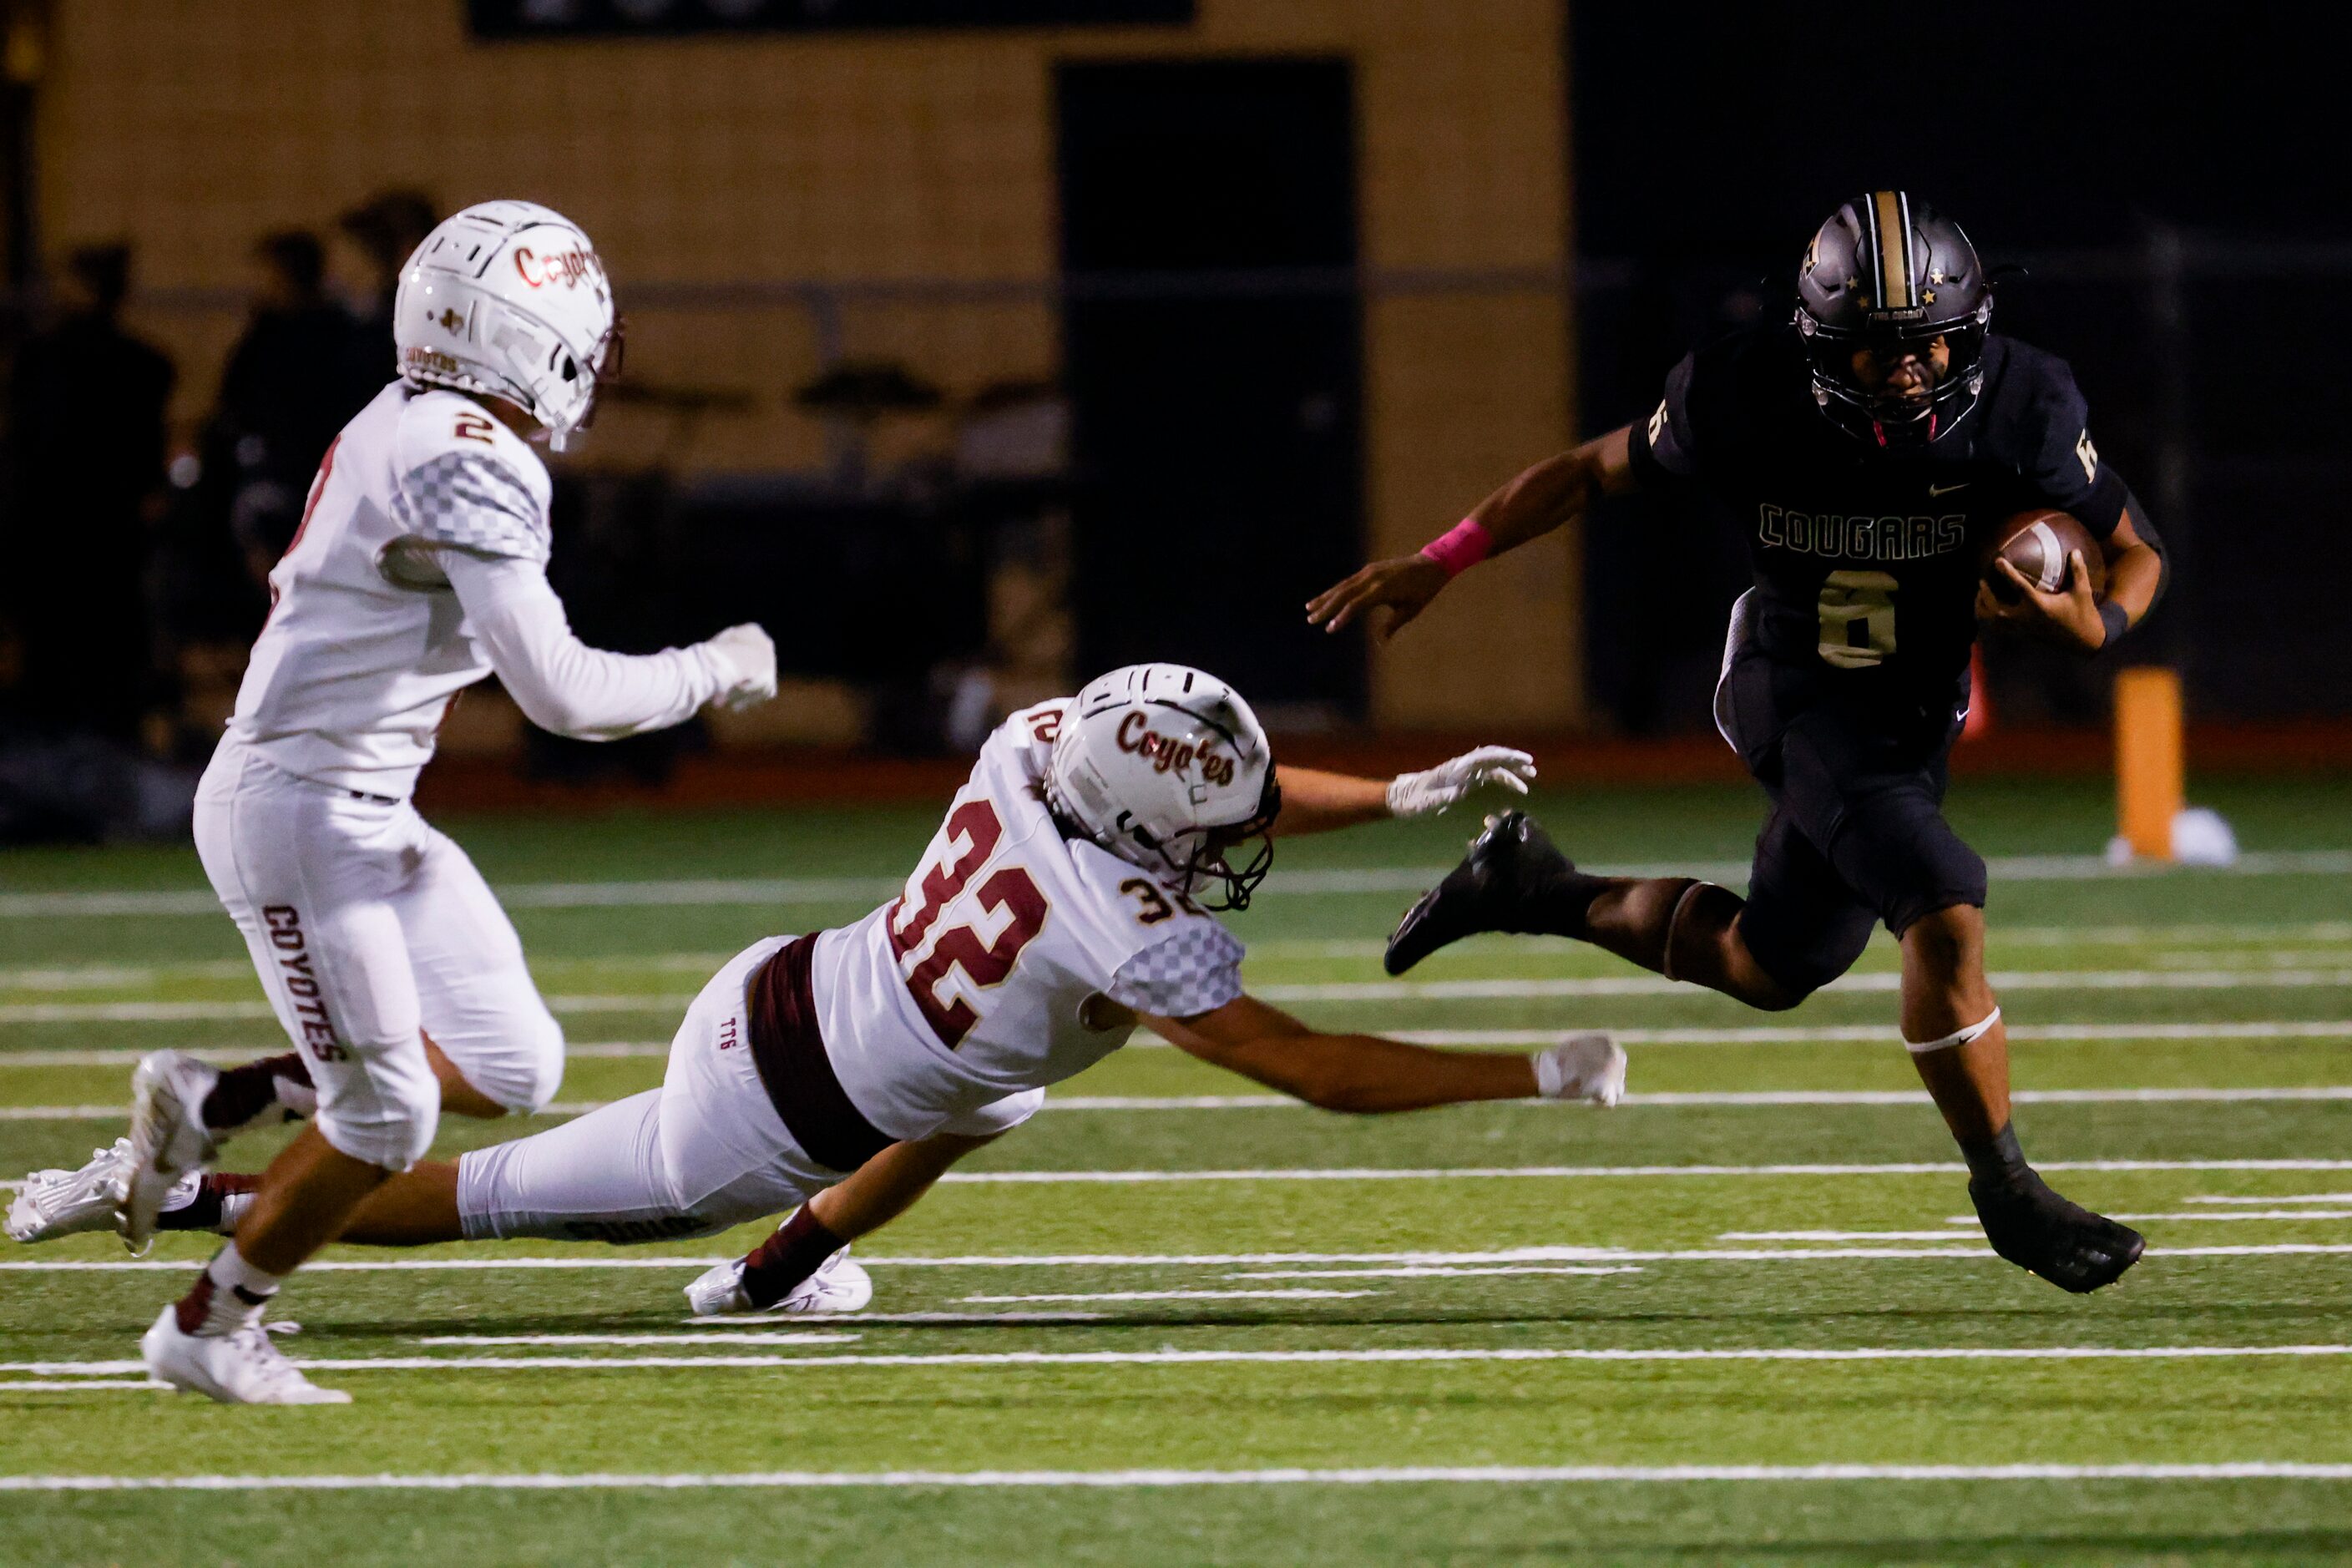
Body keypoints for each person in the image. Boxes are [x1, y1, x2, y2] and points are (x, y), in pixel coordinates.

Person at [16, 666, 1625, 1336]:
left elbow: (1229, 795)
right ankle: (174, 1191)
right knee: (469, 1193)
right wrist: (1532, 1070)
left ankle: (777, 1274)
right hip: (755, 1119)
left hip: (798, 980)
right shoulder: (1120, 922)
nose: (1236, 829)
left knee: (995, 1088)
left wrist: (1404, 788)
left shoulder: (1036, 743)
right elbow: (1319, 1070)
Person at [1307, 192, 2169, 1296]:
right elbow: (1584, 471)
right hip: (1793, 682)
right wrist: (1442, 556)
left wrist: (2092, 623)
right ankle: (2006, 1190)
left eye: (1932, 343)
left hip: (1912, 713)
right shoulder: (1743, 391)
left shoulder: (2024, 405)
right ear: (1818, 343)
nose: (1910, 371)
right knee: (1942, 897)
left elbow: (2136, 548)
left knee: (1773, 964)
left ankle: (1529, 886)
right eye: (1876, 351)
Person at [102, 200, 781, 1405]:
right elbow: (563, 695)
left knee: (514, 1057)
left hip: (360, 804)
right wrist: (716, 667)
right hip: (300, 809)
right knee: (388, 1114)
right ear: (528, 340)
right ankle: (208, 1325)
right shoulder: (466, 454)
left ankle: (220, 1095)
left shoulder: (422, 414)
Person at [1, 242, 176, 745]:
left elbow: (27, 451)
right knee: (112, 655)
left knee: (51, 658)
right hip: (112, 535)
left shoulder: (43, 361)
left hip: (51, 531)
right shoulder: (142, 367)